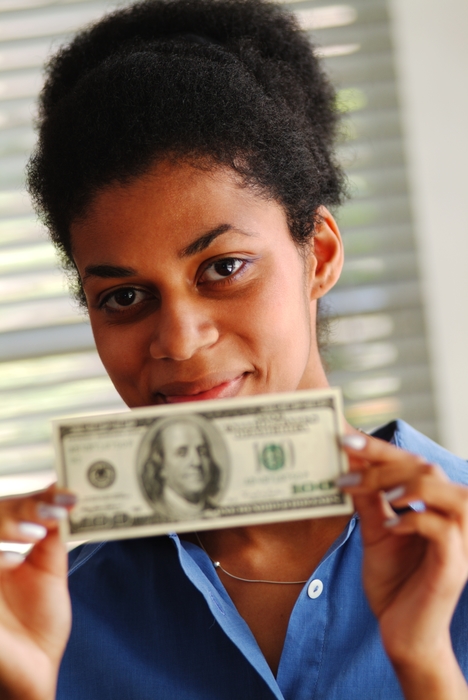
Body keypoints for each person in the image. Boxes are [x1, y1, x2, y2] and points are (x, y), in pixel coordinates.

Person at [0, 1, 468, 698]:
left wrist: (427, 665)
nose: (180, 341)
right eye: (124, 297)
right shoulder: (43, 624)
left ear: (321, 254)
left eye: (223, 268)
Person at [139, 418, 222, 518]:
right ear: (161, 466)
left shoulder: (216, 511)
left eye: (202, 451)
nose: (197, 462)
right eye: (182, 453)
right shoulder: (157, 511)